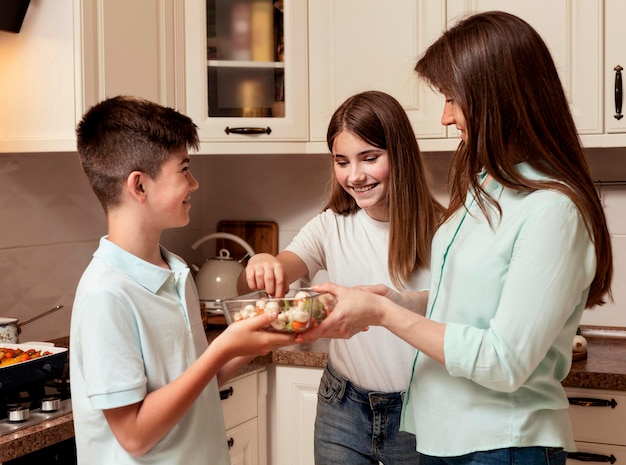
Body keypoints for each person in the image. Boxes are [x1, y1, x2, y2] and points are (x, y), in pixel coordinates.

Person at [298, 11, 614, 465]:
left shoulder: (552, 210)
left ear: (496, 97)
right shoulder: (488, 187)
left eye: (451, 98)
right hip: (441, 437)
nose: (445, 116)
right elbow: (469, 304)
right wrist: (397, 300)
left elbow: (504, 361)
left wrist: (385, 314)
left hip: (500, 445)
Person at [70, 95, 296, 465]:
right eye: (184, 170)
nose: (194, 184)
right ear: (139, 186)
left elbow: (195, 384)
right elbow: (135, 436)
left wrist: (263, 333)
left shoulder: (173, 271)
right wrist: (224, 347)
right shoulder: (106, 294)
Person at [238, 90, 444, 464]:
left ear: (400, 155)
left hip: (421, 411)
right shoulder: (330, 226)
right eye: (342, 161)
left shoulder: (445, 230)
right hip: (342, 408)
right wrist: (264, 263)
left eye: (369, 158)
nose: (355, 175)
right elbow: (276, 272)